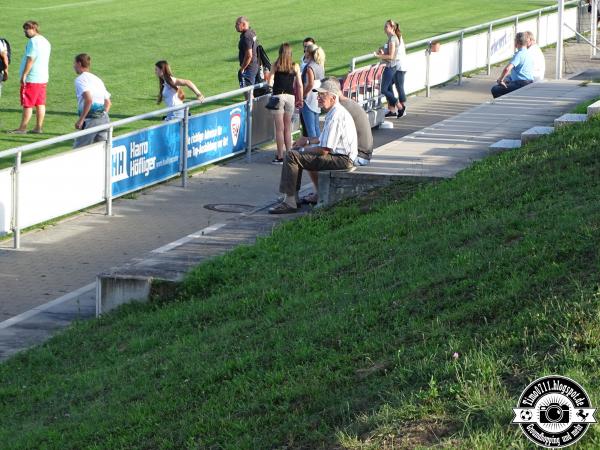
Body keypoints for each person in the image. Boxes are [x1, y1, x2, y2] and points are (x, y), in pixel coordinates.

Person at [269, 77, 357, 214]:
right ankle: (293, 198)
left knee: (292, 155)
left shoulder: (336, 116)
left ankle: (290, 201)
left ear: (333, 98)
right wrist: (307, 141)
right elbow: (323, 140)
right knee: (295, 153)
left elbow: (324, 150)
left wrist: (303, 150)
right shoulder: (334, 112)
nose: (318, 98)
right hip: (341, 157)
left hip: (342, 159)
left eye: (323, 95)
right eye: (318, 95)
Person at [9, 21, 51, 134]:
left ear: (33, 29)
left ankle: (22, 128)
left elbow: (31, 59)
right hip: (42, 77)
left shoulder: (33, 41)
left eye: (26, 29)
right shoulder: (45, 41)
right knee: (40, 103)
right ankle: (38, 127)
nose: (24, 32)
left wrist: (24, 74)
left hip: (32, 78)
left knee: (28, 103)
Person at [269, 43, 303, 164]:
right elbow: (299, 84)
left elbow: (270, 81)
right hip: (290, 97)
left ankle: (280, 156)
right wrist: (301, 98)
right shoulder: (295, 66)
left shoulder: (275, 65)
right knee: (287, 128)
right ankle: (288, 155)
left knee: (279, 129)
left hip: (278, 96)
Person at [72, 53, 111, 148]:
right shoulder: (97, 79)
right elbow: (108, 102)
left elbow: (88, 100)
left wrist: (81, 120)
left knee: (78, 150)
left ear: (79, 64)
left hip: (90, 120)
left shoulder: (80, 80)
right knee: (103, 149)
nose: (73, 66)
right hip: (104, 119)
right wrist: (101, 114)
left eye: (74, 63)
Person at [374, 20, 404, 117]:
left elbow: (391, 56)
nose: (384, 29)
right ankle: (393, 109)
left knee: (383, 89)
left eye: (386, 27)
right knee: (389, 88)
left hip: (390, 67)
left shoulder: (392, 39)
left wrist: (378, 56)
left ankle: (399, 106)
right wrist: (383, 51)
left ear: (392, 28)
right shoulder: (392, 38)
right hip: (391, 66)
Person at [491, 32, 533, 99]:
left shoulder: (519, 55)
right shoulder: (528, 53)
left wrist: (500, 79)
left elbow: (507, 69)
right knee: (508, 79)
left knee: (495, 89)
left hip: (521, 84)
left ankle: (503, 105)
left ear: (516, 42)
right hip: (529, 82)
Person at [301, 43, 325, 138]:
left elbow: (310, 84)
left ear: (309, 53)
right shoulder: (320, 64)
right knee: (316, 126)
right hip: (317, 96)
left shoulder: (310, 66)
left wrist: (303, 95)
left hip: (309, 99)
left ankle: (314, 148)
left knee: (310, 128)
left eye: (305, 51)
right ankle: (318, 146)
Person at [235, 16, 260, 88]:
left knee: (247, 92)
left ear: (243, 24)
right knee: (252, 91)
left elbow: (249, 55)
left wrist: (242, 68)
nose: (235, 26)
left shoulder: (246, 36)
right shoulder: (251, 32)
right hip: (254, 65)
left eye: (237, 24)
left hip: (249, 68)